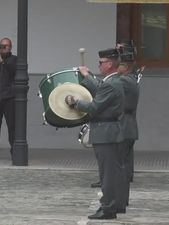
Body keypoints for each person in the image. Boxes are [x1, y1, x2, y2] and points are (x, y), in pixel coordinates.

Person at [65, 48, 126, 220]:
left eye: (100, 62)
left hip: (106, 133)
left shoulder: (111, 83)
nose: (98, 65)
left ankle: (108, 208)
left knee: (107, 174)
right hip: (109, 132)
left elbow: (94, 107)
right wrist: (88, 76)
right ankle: (111, 205)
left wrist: (75, 102)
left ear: (109, 64)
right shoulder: (113, 81)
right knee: (110, 172)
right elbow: (100, 87)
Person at [116, 40, 140, 209]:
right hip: (128, 126)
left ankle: (118, 201)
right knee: (121, 166)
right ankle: (120, 200)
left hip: (123, 126)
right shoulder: (129, 79)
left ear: (125, 66)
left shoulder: (124, 81)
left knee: (118, 167)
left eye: (119, 65)